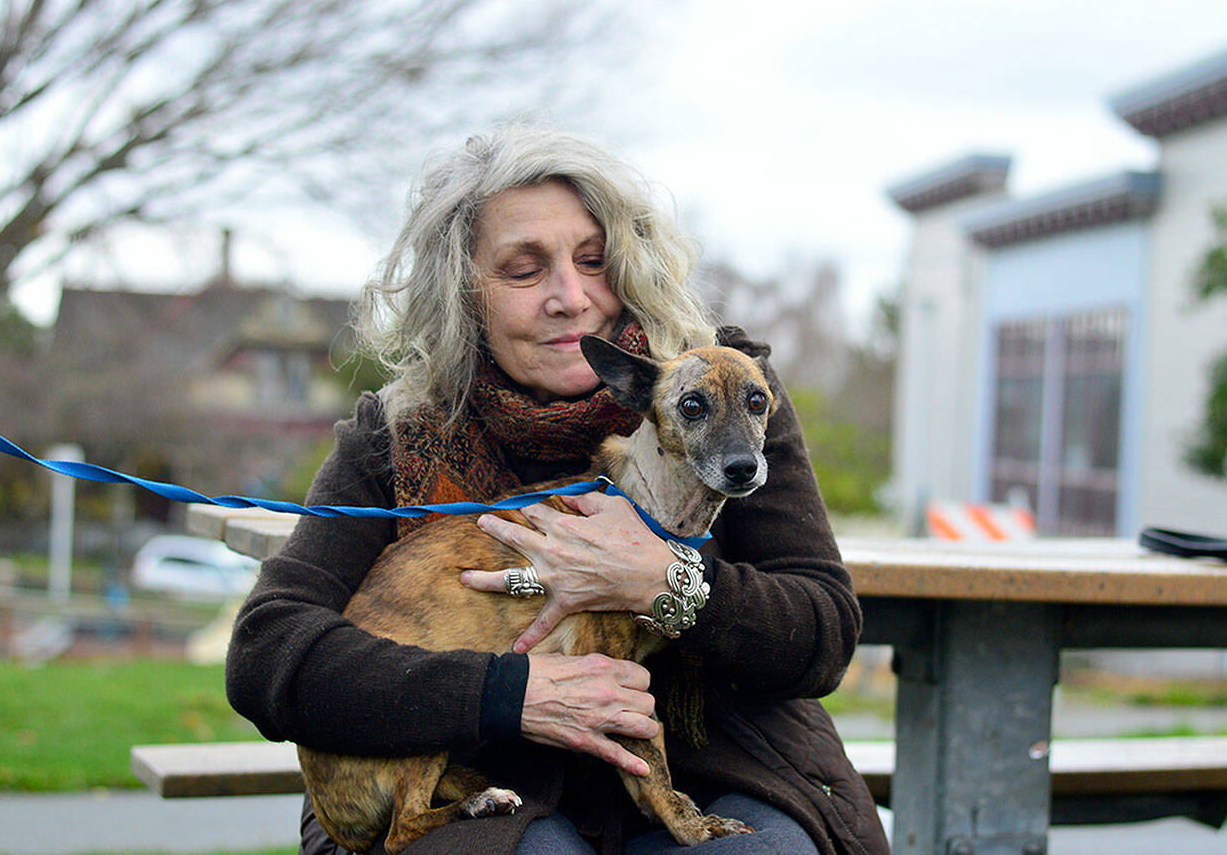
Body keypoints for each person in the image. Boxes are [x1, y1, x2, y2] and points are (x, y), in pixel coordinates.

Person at [224, 126, 889, 855]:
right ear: (463, 292)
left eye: (593, 261)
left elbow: (823, 632)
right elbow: (268, 654)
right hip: (476, 782)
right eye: (523, 269)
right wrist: (509, 695)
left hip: (722, 765)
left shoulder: (728, 390)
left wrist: (665, 581)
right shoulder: (398, 434)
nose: (568, 298)